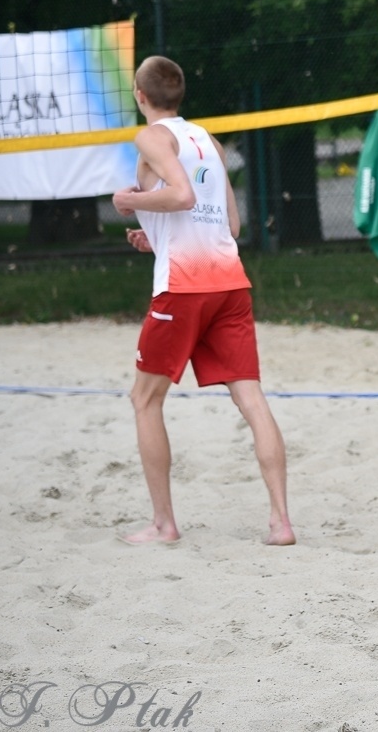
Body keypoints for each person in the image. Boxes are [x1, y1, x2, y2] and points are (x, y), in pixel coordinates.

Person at [112, 56, 295, 547]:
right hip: (229, 284)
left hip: (185, 288)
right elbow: (229, 226)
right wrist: (157, 237)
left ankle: (163, 525)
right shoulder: (207, 140)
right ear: (181, 93)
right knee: (252, 399)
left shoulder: (151, 137)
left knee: (144, 399)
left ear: (139, 93)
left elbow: (182, 197)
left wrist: (127, 201)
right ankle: (281, 522)